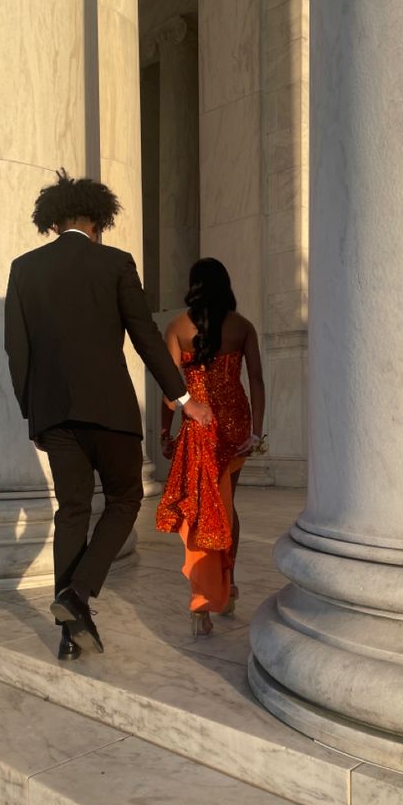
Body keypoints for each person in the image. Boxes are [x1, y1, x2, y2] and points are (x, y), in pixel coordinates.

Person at [4, 170, 212, 660]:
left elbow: (18, 352)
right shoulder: (115, 263)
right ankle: (78, 594)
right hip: (110, 412)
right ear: (98, 219)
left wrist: (33, 415)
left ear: (53, 221)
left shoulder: (24, 268)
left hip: (53, 418)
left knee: (72, 512)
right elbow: (145, 336)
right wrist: (184, 400)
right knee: (123, 499)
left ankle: (69, 635)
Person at [156, 258, 266, 636]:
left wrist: (162, 430)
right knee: (226, 506)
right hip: (236, 428)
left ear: (193, 286)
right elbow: (256, 381)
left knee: (201, 509)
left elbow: (171, 393)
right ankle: (229, 584)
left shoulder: (176, 328)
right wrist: (259, 431)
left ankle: (201, 602)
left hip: (197, 428)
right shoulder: (242, 327)